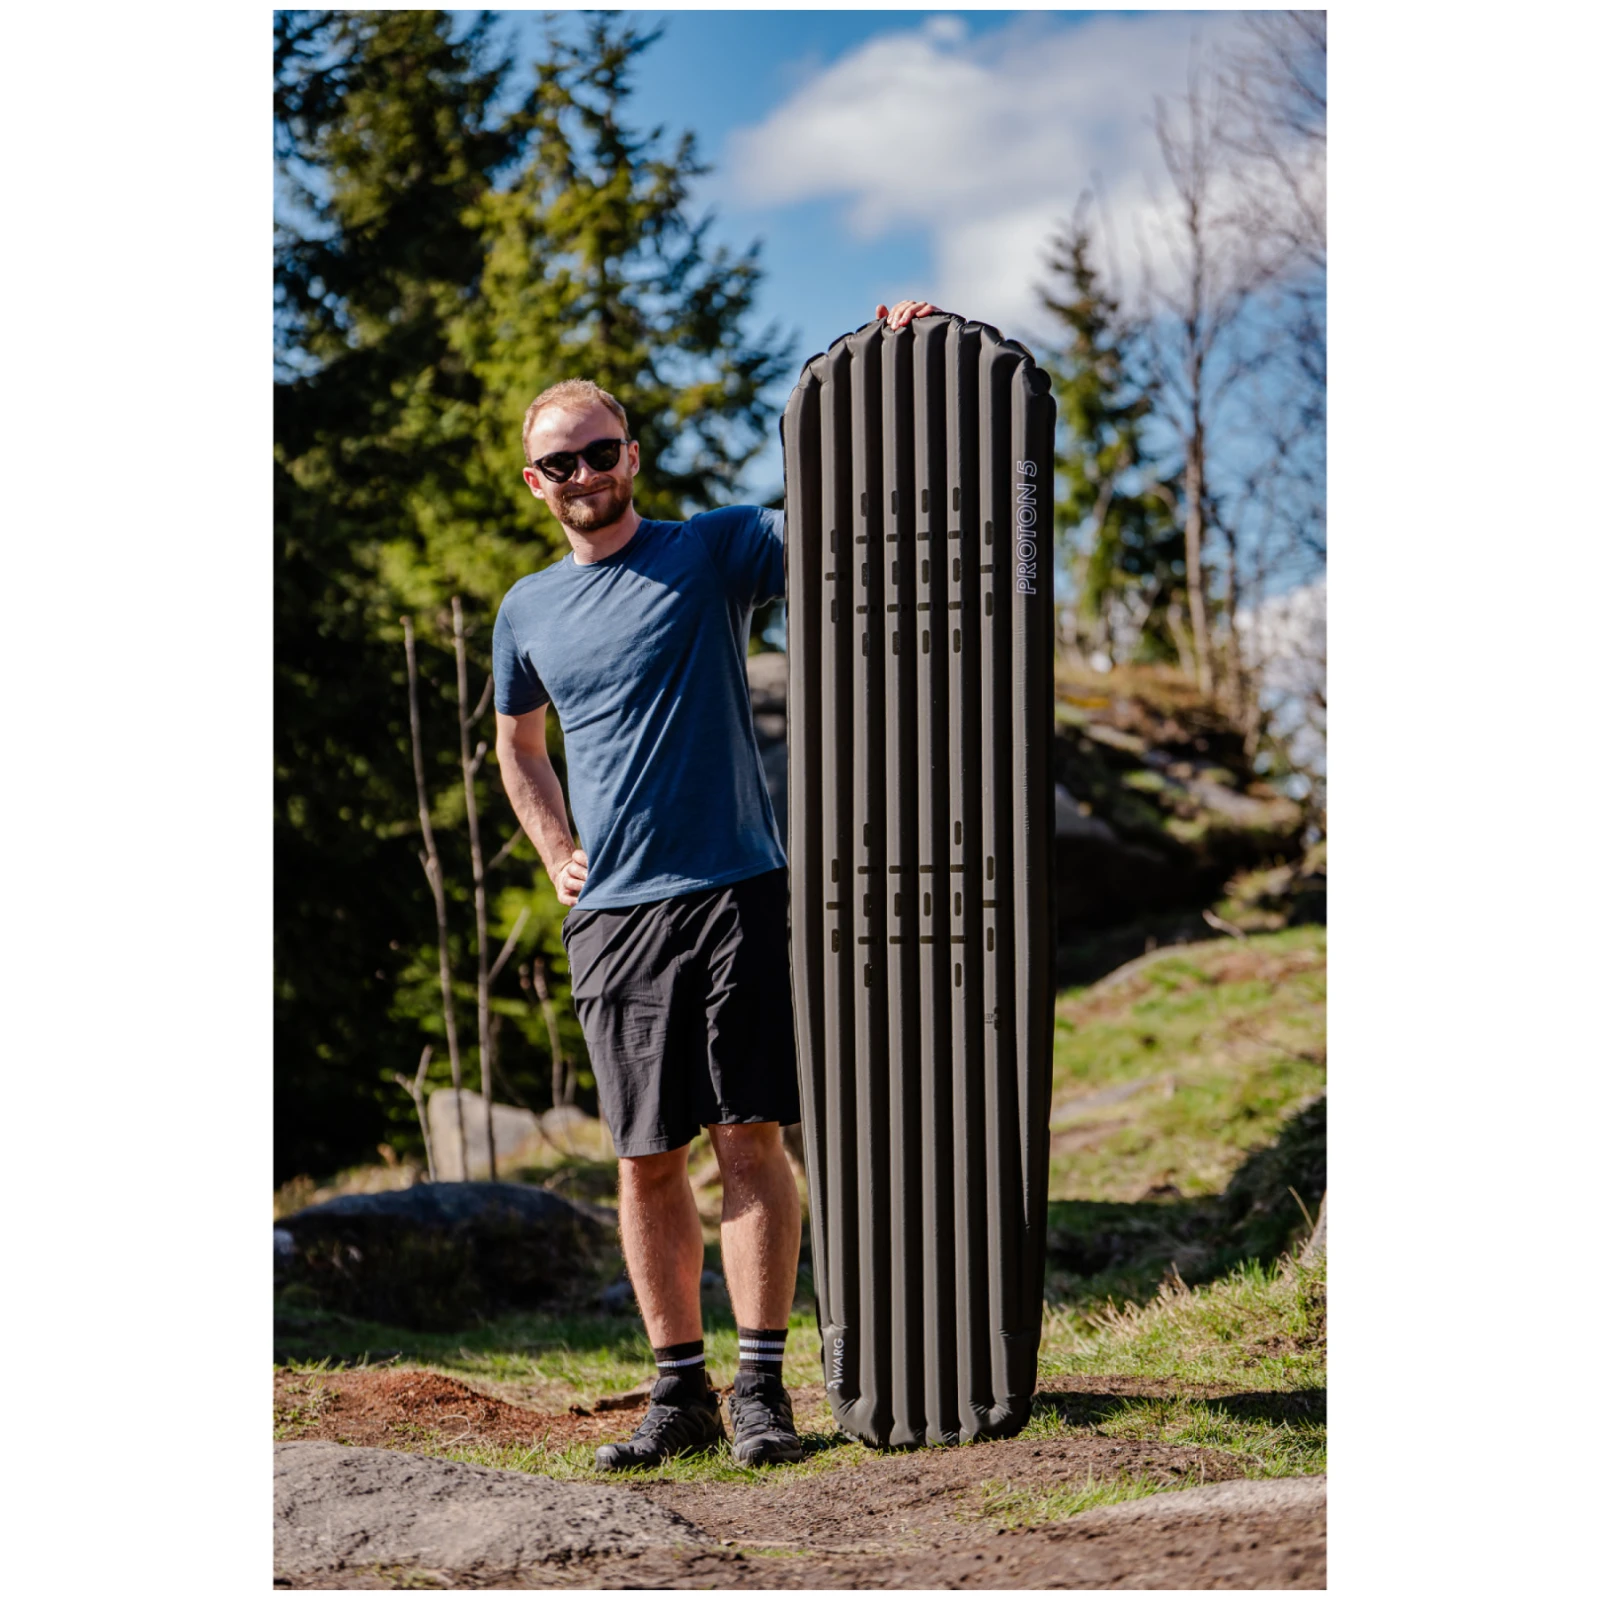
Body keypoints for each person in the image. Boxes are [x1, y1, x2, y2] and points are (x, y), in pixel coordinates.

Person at [493, 299, 942, 1470]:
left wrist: (891, 365)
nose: (584, 474)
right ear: (535, 483)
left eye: (600, 451)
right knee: (645, 1157)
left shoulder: (713, 548)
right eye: (561, 463)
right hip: (613, 916)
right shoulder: (525, 609)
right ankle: (677, 1392)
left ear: (631, 456)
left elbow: (845, 514)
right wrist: (555, 847)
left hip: (737, 890)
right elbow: (517, 745)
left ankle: (759, 1390)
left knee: (749, 1136)